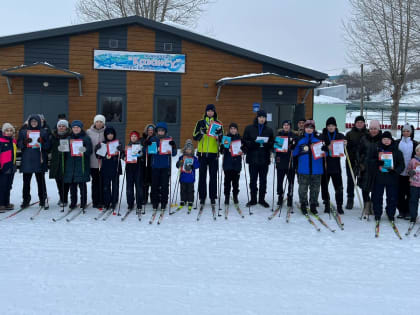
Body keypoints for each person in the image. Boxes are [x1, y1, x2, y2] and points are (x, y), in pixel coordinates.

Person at [193, 104, 223, 207]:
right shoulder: (200, 122)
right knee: (202, 176)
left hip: (213, 153)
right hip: (202, 153)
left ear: (214, 112)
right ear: (206, 112)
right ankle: (202, 197)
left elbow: (222, 140)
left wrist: (219, 134)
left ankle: (213, 197)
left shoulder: (218, 123)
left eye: (212, 111)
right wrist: (202, 132)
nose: (210, 112)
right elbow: (194, 136)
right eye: (208, 111)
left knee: (213, 176)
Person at [17, 114, 50, 209]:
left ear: (39, 122)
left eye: (36, 122)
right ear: (29, 122)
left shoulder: (43, 132)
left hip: (39, 159)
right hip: (27, 159)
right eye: (32, 122)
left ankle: (43, 199)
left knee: (41, 181)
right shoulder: (24, 132)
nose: (34, 123)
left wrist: (42, 142)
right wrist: (24, 142)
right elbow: (19, 143)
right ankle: (26, 200)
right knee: (26, 182)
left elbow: (48, 146)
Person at [243, 109, 274, 208]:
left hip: (264, 159)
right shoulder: (249, 128)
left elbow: (272, 143)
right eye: (260, 117)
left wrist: (267, 144)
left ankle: (261, 199)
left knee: (263, 180)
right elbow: (244, 141)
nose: (262, 119)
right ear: (257, 117)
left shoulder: (269, 130)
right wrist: (253, 143)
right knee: (253, 180)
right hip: (253, 158)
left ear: (265, 119)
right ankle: (253, 199)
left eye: (264, 117)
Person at [371, 131, 405, 222]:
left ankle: (391, 214)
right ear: (381, 140)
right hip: (379, 177)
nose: (386, 141)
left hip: (392, 178)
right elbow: (370, 161)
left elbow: (402, 165)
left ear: (391, 140)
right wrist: (377, 163)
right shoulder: (377, 150)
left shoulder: (397, 152)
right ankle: (377, 213)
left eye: (388, 139)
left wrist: (396, 171)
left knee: (392, 197)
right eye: (384, 139)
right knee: (377, 196)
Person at [293, 120, 323, 215]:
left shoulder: (318, 140)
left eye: (311, 128)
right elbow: (294, 153)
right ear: (304, 128)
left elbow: (325, 154)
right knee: (303, 189)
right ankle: (303, 204)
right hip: (303, 169)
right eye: (307, 127)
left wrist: (325, 149)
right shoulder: (300, 140)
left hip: (316, 169)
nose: (309, 129)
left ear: (313, 129)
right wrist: (293, 147)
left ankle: (313, 205)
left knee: (315, 189)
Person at [144, 122, 177, 211]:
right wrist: (146, 145)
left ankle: (163, 202)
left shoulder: (168, 139)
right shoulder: (153, 139)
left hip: (165, 166)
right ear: (157, 131)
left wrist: (173, 146)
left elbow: (174, 154)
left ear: (165, 131)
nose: (160, 132)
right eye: (159, 131)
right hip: (155, 166)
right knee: (155, 185)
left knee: (164, 185)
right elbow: (146, 151)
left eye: (162, 131)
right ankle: (155, 202)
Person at [64, 120, 92, 210]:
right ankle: (73, 202)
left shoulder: (86, 138)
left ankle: (83, 202)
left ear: (80, 128)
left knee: (82, 185)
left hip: (81, 164)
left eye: (77, 127)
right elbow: (64, 152)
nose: (76, 129)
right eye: (74, 128)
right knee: (72, 186)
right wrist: (61, 150)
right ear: (72, 129)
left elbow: (89, 151)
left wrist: (85, 150)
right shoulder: (68, 139)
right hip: (71, 165)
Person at [320, 117, 345, 214]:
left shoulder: (340, 136)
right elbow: (319, 148)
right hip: (325, 165)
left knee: (339, 187)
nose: (331, 127)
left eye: (332, 126)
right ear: (326, 127)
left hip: (336, 165)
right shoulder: (322, 136)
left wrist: (345, 144)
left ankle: (339, 205)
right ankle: (326, 203)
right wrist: (325, 147)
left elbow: (344, 150)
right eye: (329, 126)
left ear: (335, 126)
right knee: (324, 186)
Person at [95, 127, 122, 210]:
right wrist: (97, 149)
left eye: (111, 134)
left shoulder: (117, 143)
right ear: (105, 135)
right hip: (105, 168)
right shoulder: (103, 144)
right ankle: (107, 202)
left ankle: (114, 202)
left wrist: (121, 150)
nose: (110, 135)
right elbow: (98, 156)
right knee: (106, 186)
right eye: (108, 134)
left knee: (115, 186)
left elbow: (122, 155)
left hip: (115, 167)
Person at [359, 120, 382, 215]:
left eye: (375, 129)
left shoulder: (382, 139)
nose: (373, 130)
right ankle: (366, 205)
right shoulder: (364, 138)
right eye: (371, 129)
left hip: (377, 167)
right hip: (365, 166)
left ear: (378, 129)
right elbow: (358, 151)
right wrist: (360, 163)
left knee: (375, 187)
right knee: (365, 187)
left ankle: (373, 204)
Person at [345, 115, 368, 209]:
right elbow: (345, 148)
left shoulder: (367, 133)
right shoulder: (349, 134)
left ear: (364, 124)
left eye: (361, 122)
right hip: (351, 160)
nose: (359, 124)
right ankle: (350, 199)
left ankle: (366, 200)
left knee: (364, 180)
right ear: (355, 123)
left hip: (363, 161)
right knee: (351, 180)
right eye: (358, 122)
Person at [395, 124, 418, 219]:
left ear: (411, 132)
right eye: (404, 131)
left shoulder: (415, 144)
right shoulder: (397, 143)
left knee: (409, 193)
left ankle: (408, 211)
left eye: (408, 131)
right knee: (399, 192)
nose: (405, 133)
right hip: (399, 172)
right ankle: (401, 210)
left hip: (411, 173)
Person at [274, 120, 297, 208]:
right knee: (280, 181)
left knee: (291, 182)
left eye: (288, 125)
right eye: (284, 125)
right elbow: (275, 148)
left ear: (290, 126)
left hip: (290, 161)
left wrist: (293, 145)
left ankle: (290, 197)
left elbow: (296, 146)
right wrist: (275, 146)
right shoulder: (279, 135)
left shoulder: (294, 135)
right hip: (281, 161)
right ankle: (280, 196)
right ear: (282, 126)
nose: (286, 126)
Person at [49, 119, 71, 208]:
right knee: (58, 180)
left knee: (65, 181)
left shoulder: (69, 136)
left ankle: (64, 198)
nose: (61, 128)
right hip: (56, 161)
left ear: (66, 127)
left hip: (66, 161)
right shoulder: (53, 136)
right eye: (60, 126)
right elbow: (48, 147)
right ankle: (61, 197)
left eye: (63, 126)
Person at [220, 123, 243, 207]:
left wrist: (243, 150)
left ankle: (235, 196)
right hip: (228, 163)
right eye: (231, 128)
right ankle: (227, 196)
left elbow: (244, 148)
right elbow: (221, 150)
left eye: (234, 128)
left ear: (237, 130)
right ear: (229, 130)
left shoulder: (240, 138)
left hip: (237, 164)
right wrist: (224, 148)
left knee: (235, 182)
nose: (233, 130)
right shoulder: (226, 138)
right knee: (227, 182)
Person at [86, 114, 106, 209]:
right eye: (97, 121)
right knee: (95, 182)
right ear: (94, 122)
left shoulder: (106, 131)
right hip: (93, 161)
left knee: (102, 181)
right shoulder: (89, 132)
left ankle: (102, 200)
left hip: (103, 162)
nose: (99, 123)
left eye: (101, 122)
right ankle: (95, 200)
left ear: (103, 123)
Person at [176, 139, 200, 210]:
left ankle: (190, 201)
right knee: (183, 189)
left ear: (192, 150)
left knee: (190, 190)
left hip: (190, 177)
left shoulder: (194, 158)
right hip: (183, 176)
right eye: (187, 149)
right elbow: (177, 165)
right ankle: (183, 200)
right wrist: (179, 164)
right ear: (185, 149)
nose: (188, 150)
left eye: (190, 149)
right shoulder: (182, 157)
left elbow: (198, 165)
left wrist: (193, 166)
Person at [125, 131, 144, 213]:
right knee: (129, 187)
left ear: (137, 138)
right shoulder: (127, 146)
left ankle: (139, 203)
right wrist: (123, 156)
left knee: (139, 186)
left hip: (138, 168)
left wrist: (141, 154)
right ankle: (130, 203)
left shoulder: (140, 146)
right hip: (129, 168)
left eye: (135, 136)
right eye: (132, 136)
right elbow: (123, 155)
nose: (133, 138)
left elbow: (143, 155)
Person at [0, 123, 17, 211]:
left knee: (8, 186)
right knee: (2, 186)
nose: (9, 132)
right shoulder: (1, 141)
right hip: (3, 167)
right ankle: (1, 204)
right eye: (7, 130)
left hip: (11, 167)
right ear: (3, 132)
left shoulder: (13, 141)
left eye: (11, 131)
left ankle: (7, 203)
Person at [141, 124, 155, 205]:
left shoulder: (155, 138)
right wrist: (144, 145)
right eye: (149, 130)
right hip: (144, 161)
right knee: (145, 180)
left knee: (153, 180)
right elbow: (140, 148)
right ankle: (144, 197)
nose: (150, 131)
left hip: (152, 161)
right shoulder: (143, 138)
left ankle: (153, 198)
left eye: (152, 130)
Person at [407, 144, 420, 223]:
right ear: (416, 151)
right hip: (414, 184)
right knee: (413, 201)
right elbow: (408, 170)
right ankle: (413, 216)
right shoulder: (413, 160)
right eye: (418, 151)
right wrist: (411, 172)